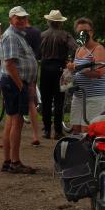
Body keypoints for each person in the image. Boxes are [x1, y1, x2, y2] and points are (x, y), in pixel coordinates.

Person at [0, 6, 37, 174]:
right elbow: (9, 64)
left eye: (23, 17)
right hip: (14, 83)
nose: (21, 20)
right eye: (18, 18)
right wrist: (21, 85)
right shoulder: (11, 36)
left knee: (11, 121)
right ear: (10, 20)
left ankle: (8, 161)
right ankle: (14, 162)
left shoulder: (17, 35)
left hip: (14, 82)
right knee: (17, 122)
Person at [66, 17, 105, 134]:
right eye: (80, 32)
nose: (83, 34)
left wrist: (79, 68)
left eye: (86, 31)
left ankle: (90, 152)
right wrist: (70, 69)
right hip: (79, 95)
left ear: (92, 32)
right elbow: (75, 70)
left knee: (88, 130)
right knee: (75, 129)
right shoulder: (79, 49)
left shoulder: (98, 48)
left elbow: (100, 72)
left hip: (94, 96)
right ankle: (77, 152)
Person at [39, 10, 77, 140]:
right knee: (59, 100)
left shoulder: (42, 35)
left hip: (44, 68)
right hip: (60, 68)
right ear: (60, 23)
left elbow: (36, 53)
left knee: (46, 100)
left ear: (49, 22)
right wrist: (70, 60)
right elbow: (75, 48)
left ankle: (46, 130)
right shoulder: (65, 35)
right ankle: (58, 131)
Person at [24, 18, 42, 145]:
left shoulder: (17, 33)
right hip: (33, 68)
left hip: (18, 70)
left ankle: (13, 134)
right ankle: (35, 135)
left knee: (15, 104)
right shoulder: (37, 32)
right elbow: (39, 53)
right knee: (31, 101)